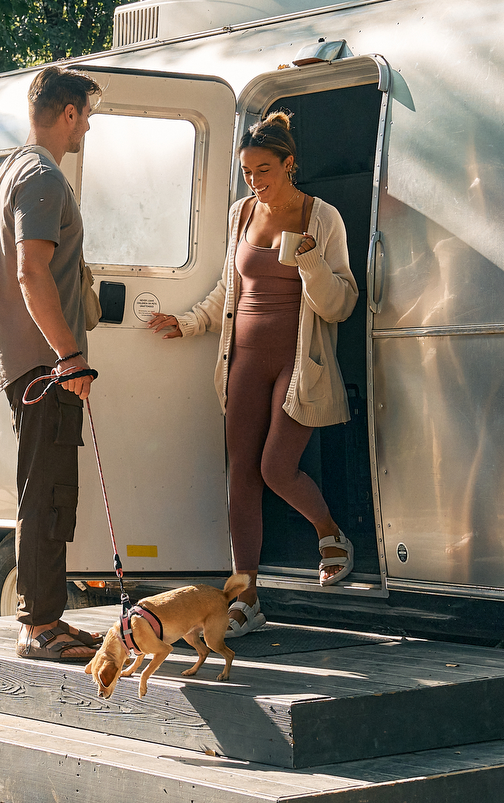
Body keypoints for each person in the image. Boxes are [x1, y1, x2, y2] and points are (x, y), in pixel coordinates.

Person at [147, 109, 360, 586]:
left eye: (263, 169)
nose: (254, 180)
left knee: (275, 468)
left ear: (289, 164)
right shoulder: (240, 213)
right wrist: (188, 322)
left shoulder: (321, 217)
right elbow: (229, 288)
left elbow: (341, 304)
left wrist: (309, 261)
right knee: (240, 472)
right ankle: (245, 594)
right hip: (243, 358)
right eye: (247, 171)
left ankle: (331, 535)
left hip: (296, 361)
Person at [0, 67, 102, 661]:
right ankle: (42, 627)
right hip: (47, 370)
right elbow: (30, 270)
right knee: (49, 493)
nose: (86, 128)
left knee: (39, 488)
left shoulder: (5, 174)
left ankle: (42, 619)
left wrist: (12, 340)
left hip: (23, 363)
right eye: (87, 117)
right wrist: (67, 355)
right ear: (69, 113)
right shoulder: (44, 177)